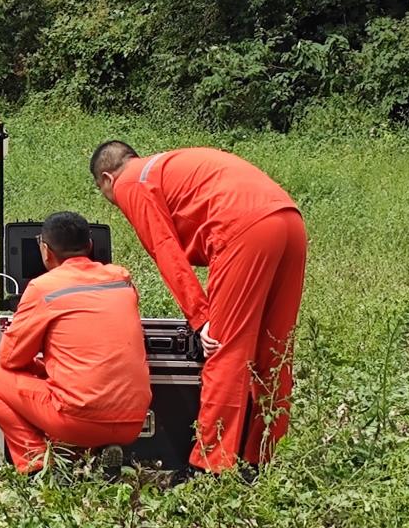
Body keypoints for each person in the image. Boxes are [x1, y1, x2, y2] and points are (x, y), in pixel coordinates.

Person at [91, 140, 304, 474]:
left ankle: (210, 467)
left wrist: (201, 318)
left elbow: (165, 249)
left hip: (244, 228)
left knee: (224, 348)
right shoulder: (162, 168)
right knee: (274, 350)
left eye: (105, 193)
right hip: (289, 220)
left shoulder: (130, 181)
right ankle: (261, 457)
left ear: (106, 178)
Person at [0, 211, 152, 473]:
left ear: (45, 251)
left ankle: (36, 462)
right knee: (64, 383)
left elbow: (10, 360)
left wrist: (39, 362)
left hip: (76, 420)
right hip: (133, 422)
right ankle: (90, 454)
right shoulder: (122, 280)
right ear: (90, 245)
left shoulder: (43, 288)